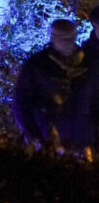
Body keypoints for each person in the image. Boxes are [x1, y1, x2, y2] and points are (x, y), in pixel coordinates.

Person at [14, 18, 99, 151]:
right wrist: (33, 135)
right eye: (60, 37)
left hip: (84, 141)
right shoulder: (37, 65)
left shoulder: (90, 65)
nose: (65, 42)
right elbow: (22, 103)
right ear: (52, 36)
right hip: (48, 141)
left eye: (68, 38)